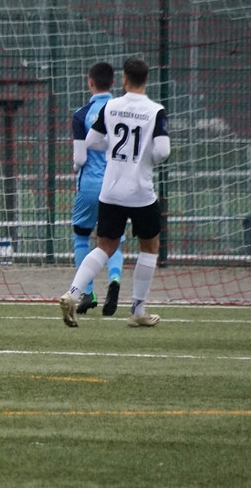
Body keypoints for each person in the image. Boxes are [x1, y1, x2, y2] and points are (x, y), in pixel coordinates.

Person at [59, 57, 169, 328]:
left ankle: (72, 293)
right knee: (150, 246)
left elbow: (93, 141)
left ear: (123, 79)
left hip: (111, 190)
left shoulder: (110, 106)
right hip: (141, 191)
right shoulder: (155, 110)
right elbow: (163, 151)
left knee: (104, 246)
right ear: (146, 80)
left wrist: (114, 149)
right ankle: (137, 310)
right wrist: (143, 157)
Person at [71, 62, 125, 317]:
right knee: (112, 241)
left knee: (82, 236)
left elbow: (80, 158)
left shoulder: (82, 114)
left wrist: (76, 167)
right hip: (117, 184)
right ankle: (114, 279)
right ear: (113, 83)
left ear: (90, 81)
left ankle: (87, 291)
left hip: (90, 185)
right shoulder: (124, 110)